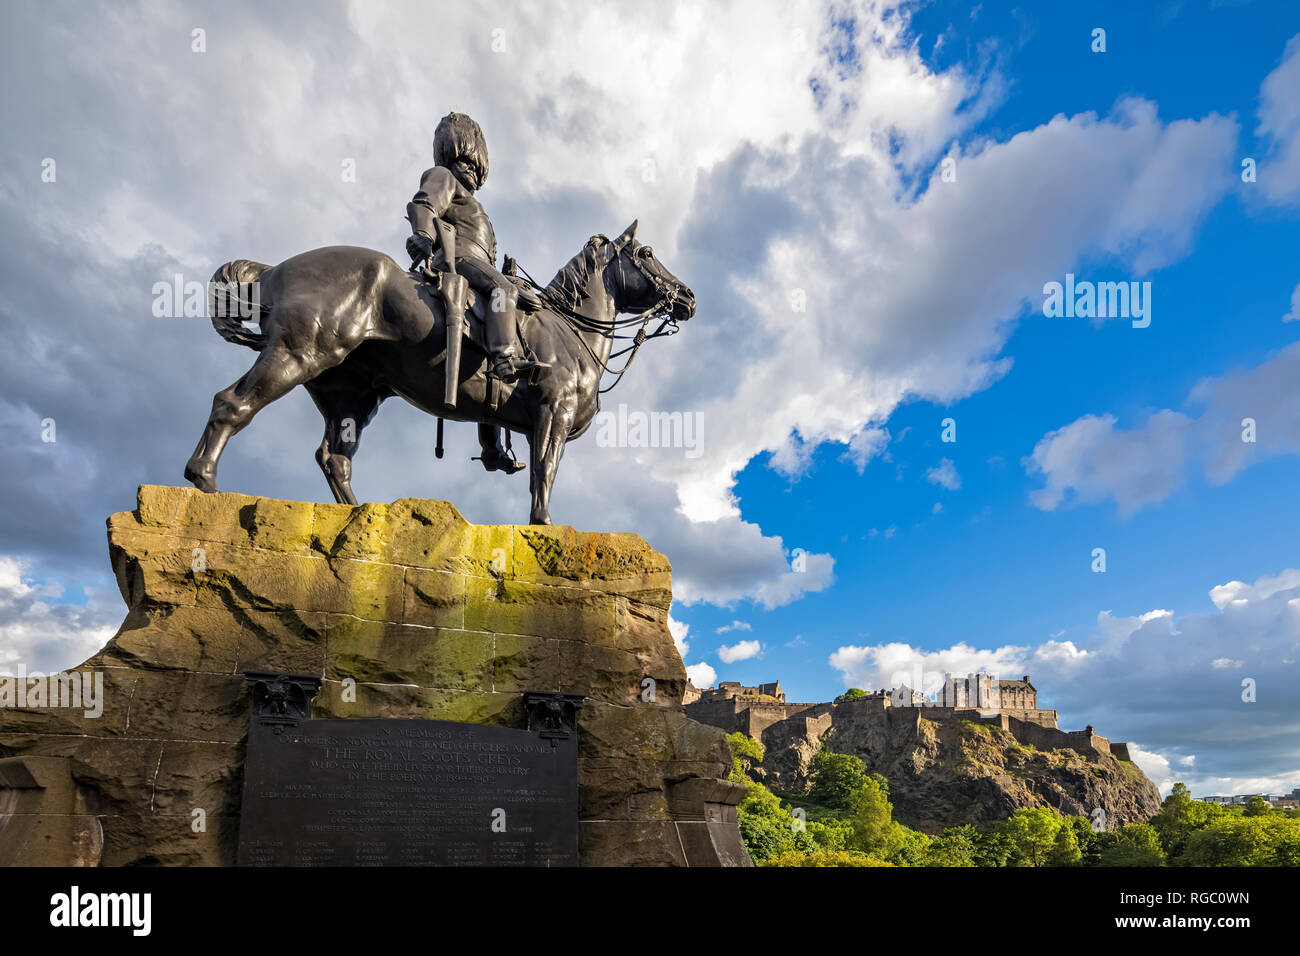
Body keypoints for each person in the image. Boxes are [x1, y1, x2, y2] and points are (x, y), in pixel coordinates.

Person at [406, 112, 533, 473]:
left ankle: (491, 447)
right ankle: (505, 359)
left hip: (480, 267)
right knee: (502, 289)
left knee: (504, 295)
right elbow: (424, 204)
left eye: (478, 166)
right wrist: (424, 235)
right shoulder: (444, 177)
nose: (473, 171)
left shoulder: (477, 206)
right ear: (451, 155)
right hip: (457, 258)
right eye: (467, 161)